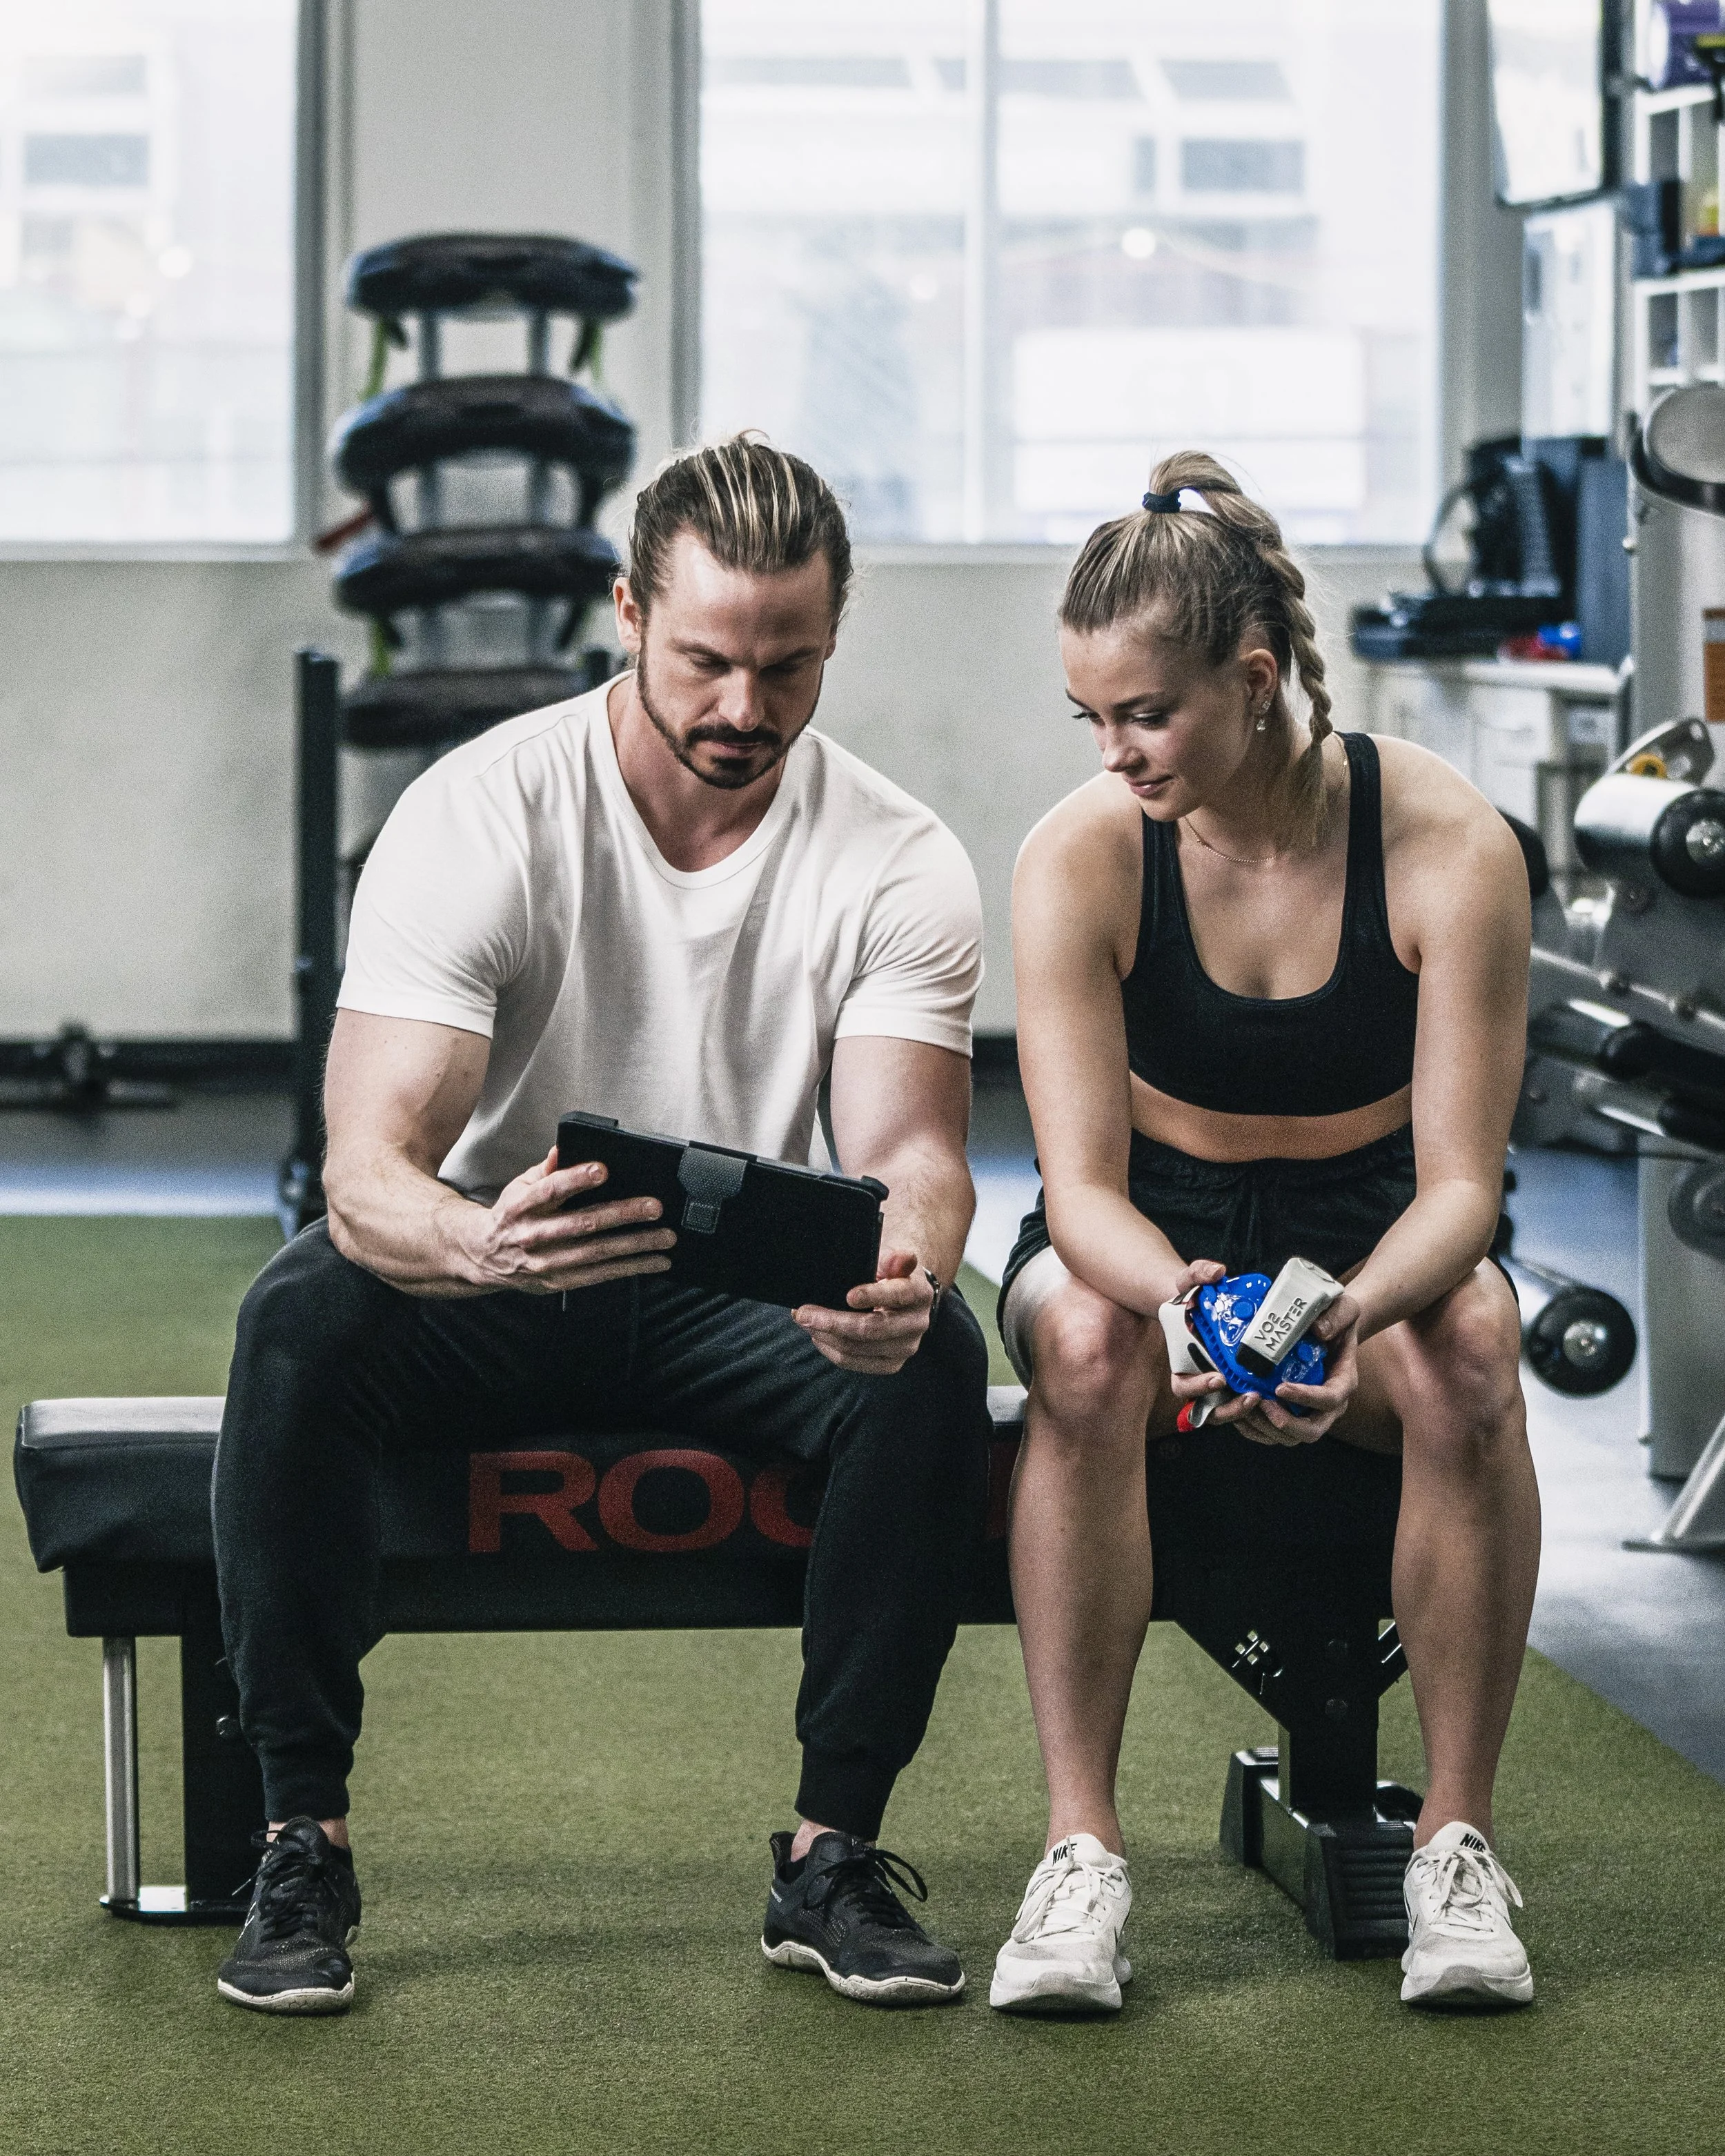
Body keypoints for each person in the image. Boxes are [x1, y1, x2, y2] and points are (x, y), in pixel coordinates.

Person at [211, 437, 991, 2016]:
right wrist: (481, 1244)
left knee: (932, 1356)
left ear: (831, 640)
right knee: (295, 1316)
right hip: (503, 1265)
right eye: (704, 658)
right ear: (628, 612)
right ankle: (300, 1834)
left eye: (786, 667)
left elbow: (910, 1148)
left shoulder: (897, 855)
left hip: (747, 1295)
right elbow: (366, 1158)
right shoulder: (481, 812)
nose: (740, 708)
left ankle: (829, 1851)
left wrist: (899, 1271)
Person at [989, 451, 1539, 2017]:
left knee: (1475, 1350)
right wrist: (1179, 1296)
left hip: (1374, 1229)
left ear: (1249, 677)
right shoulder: (1082, 852)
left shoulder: (1446, 844)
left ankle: (1452, 1845)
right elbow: (1077, 1185)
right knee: (1088, 1352)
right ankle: (1079, 1854)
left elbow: (1459, 1193)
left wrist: (1348, 1315)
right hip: (1143, 1234)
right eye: (1089, 720)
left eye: (1142, 715)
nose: (1116, 753)